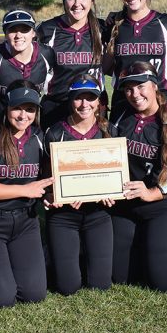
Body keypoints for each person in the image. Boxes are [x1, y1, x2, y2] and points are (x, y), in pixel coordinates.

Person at [110, 63, 167, 292]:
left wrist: (152, 193)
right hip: (124, 206)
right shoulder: (120, 114)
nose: (134, 94)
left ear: (155, 86)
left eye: (140, 86)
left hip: (162, 208)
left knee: (165, 283)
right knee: (119, 276)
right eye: (128, 88)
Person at [0, 81, 53, 307]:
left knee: (34, 294)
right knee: (1, 299)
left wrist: (51, 194)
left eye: (30, 109)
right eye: (17, 108)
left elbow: (47, 180)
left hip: (26, 222)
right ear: (6, 108)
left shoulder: (38, 136)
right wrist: (26, 190)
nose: (23, 115)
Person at [43, 77, 115, 295]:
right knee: (67, 286)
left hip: (98, 214)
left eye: (90, 98)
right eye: (78, 98)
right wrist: (52, 193)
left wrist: (111, 192)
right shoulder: (55, 133)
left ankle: (84, 256)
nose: (85, 104)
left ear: (99, 101)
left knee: (100, 285)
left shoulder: (110, 130)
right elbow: (47, 178)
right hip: (64, 216)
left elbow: (118, 174)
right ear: (70, 100)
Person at [105, 0, 167, 117]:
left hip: (161, 96)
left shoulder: (165, 22)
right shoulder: (113, 25)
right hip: (124, 98)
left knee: (165, 139)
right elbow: (105, 67)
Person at [37, 0, 107, 130]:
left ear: (92, 0)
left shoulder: (103, 29)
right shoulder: (47, 30)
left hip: (92, 108)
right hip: (56, 109)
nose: (77, 4)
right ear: (64, 1)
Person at [0, 10, 54, 128]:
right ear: (5, 34)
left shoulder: (46, 54)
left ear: (33, 33)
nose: (18, 35)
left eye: (25, 29)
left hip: (30, 127)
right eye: (12, 30)